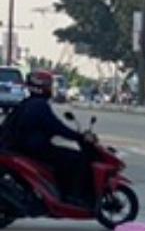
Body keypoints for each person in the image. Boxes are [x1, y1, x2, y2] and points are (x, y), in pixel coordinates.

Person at [0, 70, 92, 203]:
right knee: (75, 159)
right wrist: (79, 137)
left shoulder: (27, 103)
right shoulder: (39, 106)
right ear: (42, 87)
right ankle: (72, 196)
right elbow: (57, 127)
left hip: (20, 148)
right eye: (49, 85)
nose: (51, 88)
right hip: (33, 150)